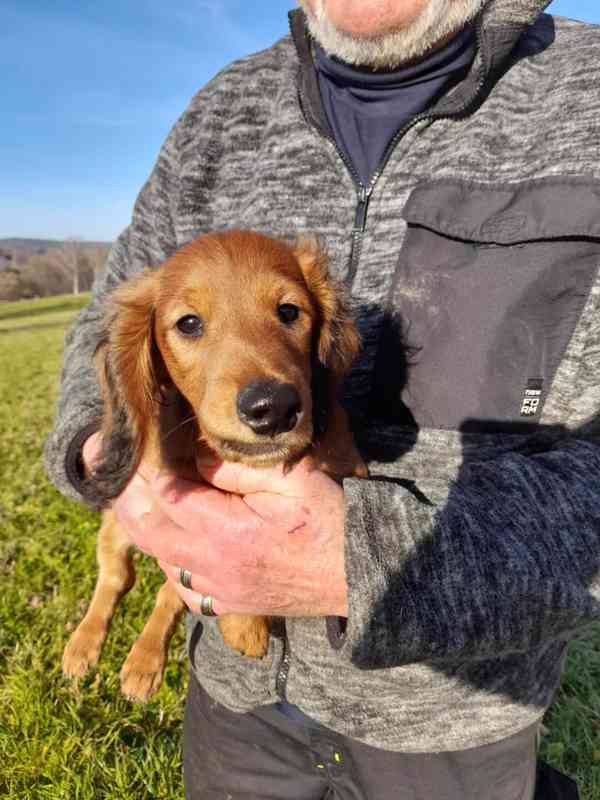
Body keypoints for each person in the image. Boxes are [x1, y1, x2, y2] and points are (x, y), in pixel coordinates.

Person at [45, 0, 600, 797]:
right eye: (195, 324)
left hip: (448, 721)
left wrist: (366, 563)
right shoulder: (218, 111)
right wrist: (117, 459)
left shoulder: (587, 94)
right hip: (235, 705)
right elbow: (105, 329)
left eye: (287, 315)